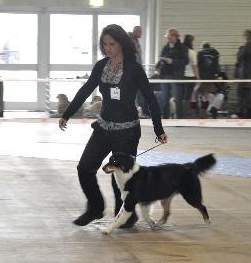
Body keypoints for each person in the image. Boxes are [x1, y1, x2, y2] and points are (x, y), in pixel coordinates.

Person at [58, 24, 168, 227]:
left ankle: (125, 214)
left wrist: (158, 129)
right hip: (103, 129)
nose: (108, 48)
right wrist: (67, 114)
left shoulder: (134, 68)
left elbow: (151, 99)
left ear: (122, 44)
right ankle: (95, 208)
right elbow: (85, 90)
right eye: (104, 44)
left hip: (127, 132)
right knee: (84, 168)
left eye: (112, 44)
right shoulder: (101, 66)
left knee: (119, 177)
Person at [159, 28, 189, 119]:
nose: (168, 38)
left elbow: (185, 61)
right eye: (167, 36)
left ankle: (180, 118)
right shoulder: (165, 47)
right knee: (164, 98)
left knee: (177, 99)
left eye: (169, 36)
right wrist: (159, 63)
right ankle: (165, 118)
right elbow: (162, 57)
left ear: (175, 36)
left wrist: (173, 61)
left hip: (176, 76)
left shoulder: (182, 48)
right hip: (165, 75)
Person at [190, 42, 220, 119]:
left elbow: (197, 65)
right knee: (206, 95)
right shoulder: (215, 54)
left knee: (195, 93)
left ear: (202, 47)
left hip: (201, 77)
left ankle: (193, 113)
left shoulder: (200, 54)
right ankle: (204, 113)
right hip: (210, 78)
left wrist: (198, 77)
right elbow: (217, 66)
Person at [129, 26, 149, 117]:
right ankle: (141, 112)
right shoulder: (130, 41)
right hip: (134, 71)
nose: (141, 33)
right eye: (140, 31)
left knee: (138, 92)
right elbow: (136, 54)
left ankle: (142, 111)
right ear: (135, 31)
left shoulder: (135, 40)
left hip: (136, 70)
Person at [181, 35, 199, 118]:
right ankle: (185, 113)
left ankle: (180, 113)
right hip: (190, 76)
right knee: (188, 96)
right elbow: (194, 65)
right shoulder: (192, 52)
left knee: (180, 95)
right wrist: (198, 77)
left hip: (180, 76)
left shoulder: (180, 50)